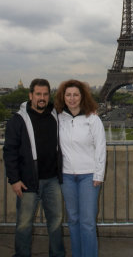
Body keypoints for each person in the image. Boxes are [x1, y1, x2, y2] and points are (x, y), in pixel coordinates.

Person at [3, 78, 65, 257]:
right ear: (30, 95)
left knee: (55, 222)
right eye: (38, 94)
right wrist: (14, 180)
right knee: (24, 224)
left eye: (45, 94)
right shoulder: (18, 120)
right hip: (28, 182)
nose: (42, 98)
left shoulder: (55, 114)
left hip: (52, 180)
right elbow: (10, 151)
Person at [54, 79, 106, 257]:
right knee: (73, 221)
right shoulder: (58, 118)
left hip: (88, 176)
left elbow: (100, 148)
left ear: (82, 96)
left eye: (76, 94)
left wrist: (98, 174)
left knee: (88, 222)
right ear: (63, 97)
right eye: (68, 95)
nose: (72, 98)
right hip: (66, 176)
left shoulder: (93, 119)